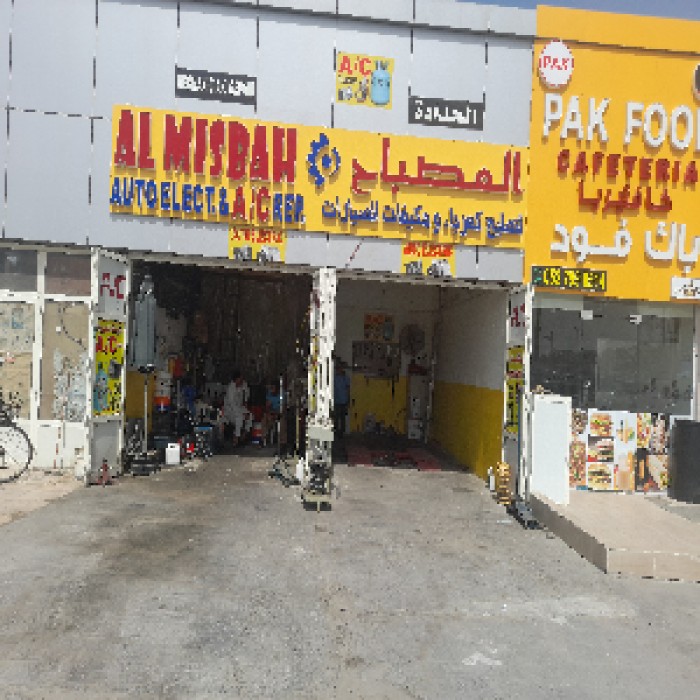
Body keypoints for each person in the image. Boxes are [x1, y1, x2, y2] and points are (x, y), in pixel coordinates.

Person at [224, 371, 251, 446]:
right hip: (230, 410)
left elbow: (247, 394)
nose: (242, 380)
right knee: (239, 417)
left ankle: (243, 436)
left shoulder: (243, 384)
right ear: (236, 379)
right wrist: (242, 413)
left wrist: (245, 404)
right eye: (240, 379)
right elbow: (232, 404)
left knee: (250, 416)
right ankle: (236, 438)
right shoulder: (230, 388)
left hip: (240, 407)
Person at [333, 361, 350, 438]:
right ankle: (336, 432)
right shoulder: (334, 378)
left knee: (342, 418)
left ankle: (342, 433)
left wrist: (348, 400)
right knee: (336, 418)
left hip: (343, 401)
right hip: (336, 401)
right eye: (338, 368)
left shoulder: (345, 378)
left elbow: (348, 389)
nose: (339, 370)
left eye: (340, 368)